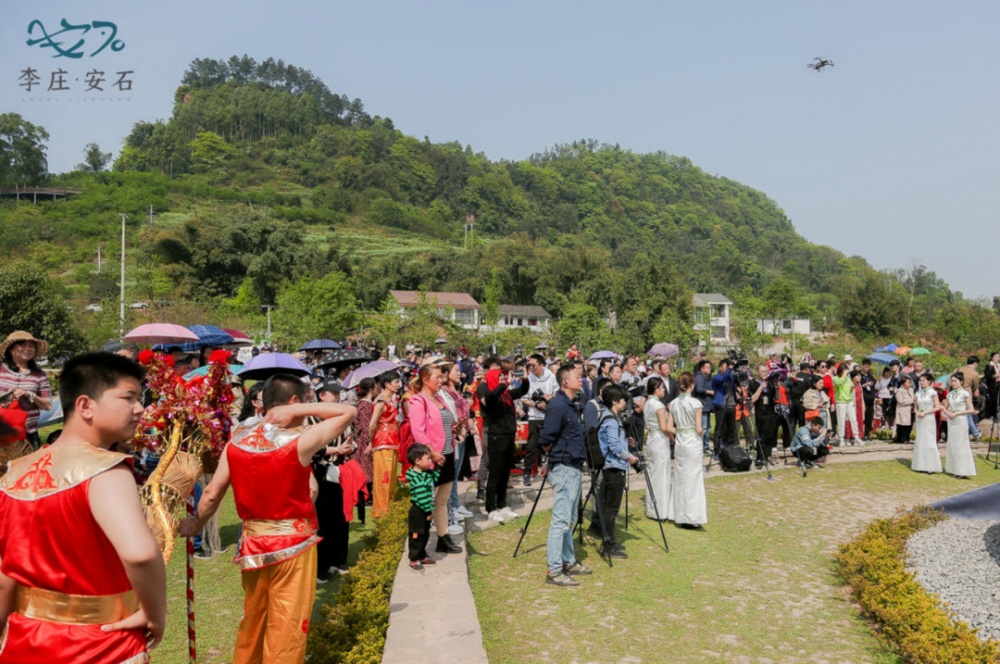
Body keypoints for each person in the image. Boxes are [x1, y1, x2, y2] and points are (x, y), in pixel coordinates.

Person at [0, 352, 167, 663]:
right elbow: (140, 553)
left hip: (26, 641)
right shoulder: (105, 469)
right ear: (85, 405)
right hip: (98, 644)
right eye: (129, 397)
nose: (140, 409)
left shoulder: (14, 472)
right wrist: (155, 613)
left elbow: (5, 576)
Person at [182, 376, 355, 664]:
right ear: (294, 402)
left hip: (252, 544)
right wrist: (299, 412)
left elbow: (212, 494)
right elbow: (348, 413)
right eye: (305, 400)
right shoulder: (299, 439)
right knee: (287, 623)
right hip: (293, 545)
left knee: (255, 617)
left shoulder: (236, 439)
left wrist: (196, 525)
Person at [539, 364, 591, 587]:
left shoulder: (569, 404)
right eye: (577, 377)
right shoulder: (558, 405)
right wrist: (554, 459)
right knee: (560, 521)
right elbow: (545, 440)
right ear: (565, 382)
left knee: (569, 519)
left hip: (573, 467)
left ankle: (568, 560)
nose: (581, 380)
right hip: (564, 468)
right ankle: (554, 569)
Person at [408, 365, 463, 554]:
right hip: (431, 459)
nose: (441, 381)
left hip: (447, 454)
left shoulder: (439, 398)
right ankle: (418, 548)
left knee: (442, 500)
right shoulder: (418, 401)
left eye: (442, 377)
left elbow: (444, 424)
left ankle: (443, 536)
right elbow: (419, 432)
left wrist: (455, 430)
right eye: (437, 378)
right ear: (425, 379)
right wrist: (432, 452)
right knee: (426, 502)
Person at [481, 362, 529, 523]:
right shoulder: (491, 395)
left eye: (504, 376)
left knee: (505, 473)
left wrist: (525, 378)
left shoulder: (507, 395)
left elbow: (522, 390)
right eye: (500, 377)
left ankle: (502, 505)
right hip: (496, 437)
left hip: (509, 436)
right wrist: (505, 383)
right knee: (495, 474)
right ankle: (491, 508)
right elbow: (492, 396)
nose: (503, 378)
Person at [594, 385, 639, 559]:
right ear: (614, 401)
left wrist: (626, 442)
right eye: (623, 401)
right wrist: (630, 457)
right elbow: (613, 447)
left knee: (609, 508)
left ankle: (609, 541)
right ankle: (608, 545)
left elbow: (615, 442)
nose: (625, 404)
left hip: (613, 466)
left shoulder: (611, 418)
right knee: (611, 510)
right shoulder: (611, 420)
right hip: (613, 467)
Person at [665, 372, 706, 529]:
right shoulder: (696, 403)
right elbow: (699, 429)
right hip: (692, 443)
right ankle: (691, 516)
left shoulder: (674, 403)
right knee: (693, 479)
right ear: (692, 385)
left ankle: (679, 514)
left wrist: (681, 431)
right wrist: (697, 432)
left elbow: (669, 428)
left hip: (681, 442)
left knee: (681, 478)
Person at [0, 331, 54, 449]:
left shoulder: (39, 375)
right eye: (22, 345)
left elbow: (48, 406)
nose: (27, 349)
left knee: (28, 466)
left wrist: (30, 395)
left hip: (28, 435)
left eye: (31, 346)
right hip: (2, 432)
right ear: (11, 349)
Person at [369, 371, 403, 518]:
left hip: (392, 440)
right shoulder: (381, 401)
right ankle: (381, 511)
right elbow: (372, 424)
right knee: (384, 476)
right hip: (383, 441)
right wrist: (371, 442)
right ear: (387, 385)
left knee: (391, 476)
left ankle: (388, 507)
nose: (399, 385)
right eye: (396, 382)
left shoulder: (391, 399)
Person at [521, 354, 558, 486]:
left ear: (542, 365)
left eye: (534, 365)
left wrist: (550, 398)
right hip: (533, 416)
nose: (531, 368)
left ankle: (551, 471)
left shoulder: (551, 377)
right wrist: (536, 404)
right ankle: (527, 473)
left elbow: (557, 393)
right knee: (531, 446)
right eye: (529, 365)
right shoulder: (528, 379)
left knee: (551, 445)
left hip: (548, 416)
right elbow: (524, 399)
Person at [405, 444, 439, 572]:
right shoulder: (417, 479)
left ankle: (422, 555)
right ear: (417, 461)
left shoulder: (425, 473)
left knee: (425, 534)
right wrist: (428, 512)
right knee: (416, 535)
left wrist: (439, 465)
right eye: (428, 459)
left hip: (425, 509)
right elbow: (422, 497)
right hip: (419, 511)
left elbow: (436, 477)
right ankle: (414, 558)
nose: (430, 461)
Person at [474, 356, 502, 502]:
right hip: (488, 425)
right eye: (494, 366)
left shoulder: (501, 385)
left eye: (498, 366)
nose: (497, 369)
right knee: (487, 456)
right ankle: (481, 487)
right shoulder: (483, 387)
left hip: (501, 425)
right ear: (486, 370)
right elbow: (488, 403)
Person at [643, 377, 670, 520]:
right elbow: (665, 427)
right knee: (660, 473)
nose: (664, 390)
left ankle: (652, 508)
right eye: (662, 388)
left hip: (652, 439)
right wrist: (673, 437)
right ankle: (660, 509)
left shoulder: (647, 403)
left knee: (653, 471)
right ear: (656, 389)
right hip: (660, 439)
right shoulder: (658, 406)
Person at [942, 374, 977, 479]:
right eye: (952, 381)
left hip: (961, 421)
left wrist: (957, 413)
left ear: (961, 381)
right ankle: (954, 469)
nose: (953, 383)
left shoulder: (964, 393)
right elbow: (945, 408)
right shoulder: (950, 394)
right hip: (952, 421)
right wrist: (948, 413)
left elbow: (971, 409)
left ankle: (962, 470)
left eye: (955, 381)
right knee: (953, 445)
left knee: (961, 445)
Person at [912, 373, 943, 474]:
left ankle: (931, 465)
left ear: (929, 381)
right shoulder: (918, 393)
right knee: (920, 440)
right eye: (921, 381)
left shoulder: (933, 393)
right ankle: (920, 464)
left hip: (929, 417)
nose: (922, 382)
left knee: (929, 440)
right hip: (920, 419)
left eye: (924, 380)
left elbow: (937, 407)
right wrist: (917, 413)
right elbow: (915, 407)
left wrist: (926, 412)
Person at [749, 364, 777, 467]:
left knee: (770, 436)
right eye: (763, 371)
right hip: (760, 414)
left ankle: (768, 456)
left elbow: (776, 397)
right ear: (757, 372)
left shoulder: (770, 384)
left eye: (766, 371)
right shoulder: (754, 384)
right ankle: (760, 458)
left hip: (770, 413)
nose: (765, 373)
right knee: (761, 437)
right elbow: (753, 399)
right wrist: (760, 388)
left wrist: (776, 386)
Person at [693, 360, 714, 454]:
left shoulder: (706, 377)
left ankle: (706, 446)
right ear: (702, 368)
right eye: (707, 367)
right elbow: (699, 389)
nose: (709, 369)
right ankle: (702, 447)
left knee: (708, 428)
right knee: (703, 427)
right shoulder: (699, 377)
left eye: (710, 367)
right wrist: (710, 392)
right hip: (702, 405)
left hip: (707, 405)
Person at [961, 357, 982, 440]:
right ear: (975, 364)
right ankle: (975, 433)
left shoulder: (958, 369)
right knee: (968, 414)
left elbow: (949, 381)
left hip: (956, 394)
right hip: (967, 394)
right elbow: (975, 386)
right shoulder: (974, 373)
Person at [894, 376, 915, 443]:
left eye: (910, 382)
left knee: (910, 425)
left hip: (911, 410)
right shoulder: (899, 391)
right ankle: (902, 439)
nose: (909, 384)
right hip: (903, 410)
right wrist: (911, 400)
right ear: (903, 383)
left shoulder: (911, 390)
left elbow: (914, 398)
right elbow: (900, 401)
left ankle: (907, 438)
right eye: (907, 382)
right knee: (903, 425)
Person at [859, 359, 877, 438]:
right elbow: (857, 387)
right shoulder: (859, 376)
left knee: (869, 418)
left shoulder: (871, 377)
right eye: (865, 366)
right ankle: (860, 434)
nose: (867, 367)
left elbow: (873, 387)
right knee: (861, 417)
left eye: (868, 366)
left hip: (870, 399)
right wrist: (865, 385)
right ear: (862, 365)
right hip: (863, 399)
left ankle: (867, 434)